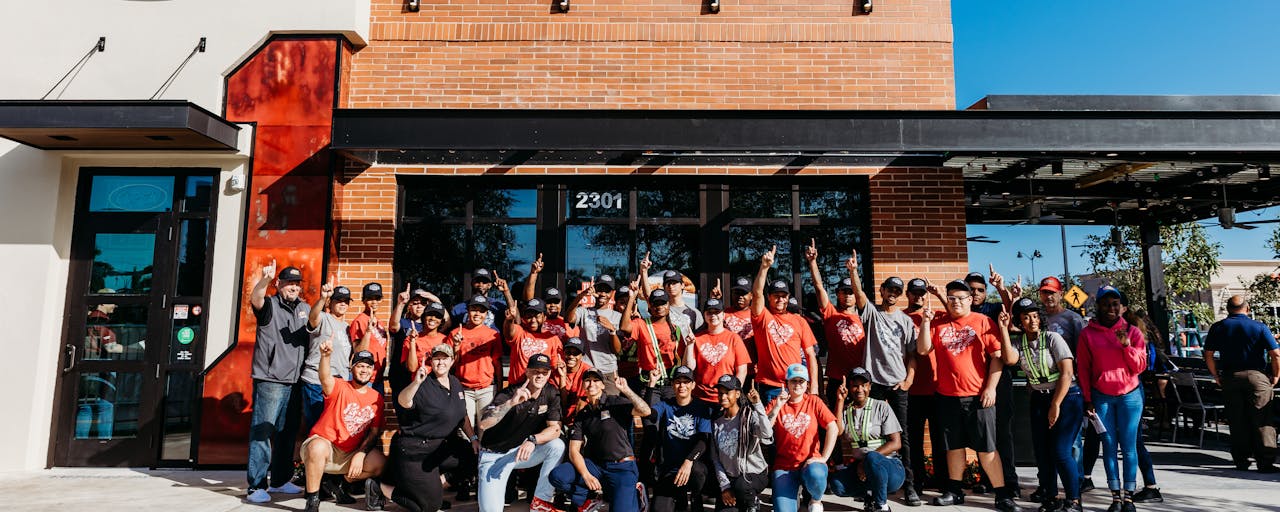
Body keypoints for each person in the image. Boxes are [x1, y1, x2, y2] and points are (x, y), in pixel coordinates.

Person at [917, 279, 1019, 511]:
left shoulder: (982, 321)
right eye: (951, 298)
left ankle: (1002, 495)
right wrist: (925, 322)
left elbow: (997, 358)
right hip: (947, 396)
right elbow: (922, 349)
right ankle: (955, 491)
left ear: (970, 300)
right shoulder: (938, 322)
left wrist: (991, 388)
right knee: (954, 447)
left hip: (977, 398)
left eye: (961, 298)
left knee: (987, 449)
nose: (956, 302)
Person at [844, 248, 921, 506]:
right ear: (882, 291)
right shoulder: (872, 314)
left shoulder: (906, 321)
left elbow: (913, 355)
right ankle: (867, 485)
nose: (893, 293)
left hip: (897, 384)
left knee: (902, 437)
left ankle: (909, 486)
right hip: (873, 384)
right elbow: (859, 295)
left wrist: (908, 380)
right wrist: (854, 272)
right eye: (890, 289)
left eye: (898, 291)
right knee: (865, 432)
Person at [381, 344, 480, 512]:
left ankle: (431, 487)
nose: (441, 362)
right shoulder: (422, 384)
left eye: (444, 358)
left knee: (473, 456)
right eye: (436, 359)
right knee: (429, 507)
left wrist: (473, 438)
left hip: (439, 447)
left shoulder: (455, 383)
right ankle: (381, 488)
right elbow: (403, 401)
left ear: (452, 361)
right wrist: (416, 383)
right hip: (415, 450)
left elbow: (461, 415)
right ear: (431, 362)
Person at [1008, 298, 1083, 512]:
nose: (1032, 320)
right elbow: (1008, 358)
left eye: (1035, 316)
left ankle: (1074, 501)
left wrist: (1056, 404)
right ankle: (1051, 497)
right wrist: (1004, 329)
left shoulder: (1052, 338)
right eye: (1026, 317)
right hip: (1039, 398)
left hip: (1066, 397)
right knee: (1042, 452)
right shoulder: (1018, 343)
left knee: (1061, 451)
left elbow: (1067, 373)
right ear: (1019, 322)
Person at [1076, 286, 1148, 512]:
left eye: (1115, 303)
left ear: (1121, 306)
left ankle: (1129, 497)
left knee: (1129, 447)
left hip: (1130, 396)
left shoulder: (1133, 332)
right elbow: (1083, 369)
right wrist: (1087, 399)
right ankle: (1115, 497)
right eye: (1106, 303)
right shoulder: (1088, 334)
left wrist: (1126, 346)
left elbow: (1140, 367)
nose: (1111, 308)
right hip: (1102, 397)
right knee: (1108, 446)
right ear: (1098, 306)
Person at [246, 261, 309, 503]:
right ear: (279, 284)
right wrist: (264, 279)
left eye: (297, 283)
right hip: (270, 379)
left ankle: (280, 481)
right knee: (263, 431)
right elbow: (256, 298)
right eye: (289, 283)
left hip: (295, 381)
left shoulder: (304, 308)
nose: (294, 287)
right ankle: (256, 486)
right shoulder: (269, 305)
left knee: (287, 433)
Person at [549, 370, 652, 512]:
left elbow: (646, 411)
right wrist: (586, 476)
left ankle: (635, 494)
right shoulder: (583, 414)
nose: (591, 384)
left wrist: (626, 390)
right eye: (587, 380)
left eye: (596, 380)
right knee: (557, 476)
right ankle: (589, 498)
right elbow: (574, 451)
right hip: (596, 466)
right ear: (583, 385)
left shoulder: (615, 402)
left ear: (603, 385)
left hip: (622, 467)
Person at [301, 347, 387, 512]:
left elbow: (374, 433)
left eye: (368, 367)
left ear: (372, 371)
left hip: (350, 453)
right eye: (360, 366)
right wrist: (325, 356)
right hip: (326, 446)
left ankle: (340, 483)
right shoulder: (339, 386)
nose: (364, 370)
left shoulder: (376, 397)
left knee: (380, 463)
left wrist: (360, 454)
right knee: (317, 447)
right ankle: (313, 500)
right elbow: (324, 377)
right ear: (352, 368)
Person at [476, 353, 566, 512]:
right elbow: (483, 423)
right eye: (536, 371)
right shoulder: (510, 392)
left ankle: (540, 502)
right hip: (494, 457)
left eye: (544, 372)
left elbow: (555, 429)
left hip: (519, 453)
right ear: (527, 372)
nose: (540, 375)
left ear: (549, 374)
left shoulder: (551, 392)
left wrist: (533, 440)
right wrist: (510, 403)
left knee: (557, 446)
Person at [1204, 295, 1280, 473]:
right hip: (1256, 376)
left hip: (1230, 377)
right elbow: (1275, 354)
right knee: (1262, 419)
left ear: (1228, 309)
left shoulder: (1218, 327)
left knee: (1236, 419)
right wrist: (1276, 375)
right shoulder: (1259, 327)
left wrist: (1215, 375)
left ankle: (1241, 459)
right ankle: (1265, 461)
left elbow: (1208, 354)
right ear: (1247, 308)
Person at [1035, 276, 1095, 495]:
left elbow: (1083, 353)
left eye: (1052, 292)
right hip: (1045, 387)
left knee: (1073, 441)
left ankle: (1076, 483)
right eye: (1044, 292)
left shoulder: (1072, 319)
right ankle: (1048, 486)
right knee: (1047, 442)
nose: (1048, 296)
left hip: (1069, 386)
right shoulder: (1038, 318)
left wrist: (1083, 387)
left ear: (1061, 294)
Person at [830, 368, 906, 512]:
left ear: (869, 386)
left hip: (890, 467)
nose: (860, 389)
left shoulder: (881, 406)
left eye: (863, 385)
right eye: (855, 385)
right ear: (849, 387)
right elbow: (838, 432)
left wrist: (865, 462)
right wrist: (840, 401)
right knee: (837, 484)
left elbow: (896, 443)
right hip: (863, 469)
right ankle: (869, 495)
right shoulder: (846, 410)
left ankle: (882, 505)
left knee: (872, 458)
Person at [802, 242, 867, 408]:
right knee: (835, 418)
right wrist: (812, 262)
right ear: (838, 294)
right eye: (844, 292)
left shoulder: (866, 317)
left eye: (851, 292)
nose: (848, 295)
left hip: (860, 378)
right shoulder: (831, 314)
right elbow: (819, 287)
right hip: (836, 377)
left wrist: (853, 271)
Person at [752, 245, 820, 403]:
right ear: (769, 297)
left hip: (796, 385)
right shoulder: (763, 317)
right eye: (776, 295)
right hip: (769, 386)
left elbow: (810, 355)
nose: (780, 299)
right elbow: (756, 294)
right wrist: (764, 267)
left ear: (788, 298)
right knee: (770, 420)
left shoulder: (799, 321)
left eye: (784, 296)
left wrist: (814, 386)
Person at [767, 363, 837, 512]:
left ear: (807, 384)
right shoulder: (776, 403)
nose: (797, 384)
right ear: (786, 383)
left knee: (816, 474)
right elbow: (763, 431)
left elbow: (833, 427)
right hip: (784, 466)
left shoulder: (814, 401)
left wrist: (824, 458)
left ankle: (815, 500)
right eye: (793, 381)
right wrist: (777, 407)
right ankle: (794, 496)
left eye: (801, 381)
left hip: (810, 464)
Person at [646, 365, 714, 512]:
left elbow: (703, 441)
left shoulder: (701, 408)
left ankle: (696, 498)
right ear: (672, 385)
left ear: (693, 385)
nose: (682, 385)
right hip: (670, 469)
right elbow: (649, 414)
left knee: (697, 470)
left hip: (693, 467)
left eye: (686, 382)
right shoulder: (666, 405)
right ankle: (680, 498)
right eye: (678, 382)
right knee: (658, 509)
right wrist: (651, 385)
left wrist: (688, 461)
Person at [902, 278, 943, 494]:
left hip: (937, 388)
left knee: (940, 439)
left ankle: (942, 481)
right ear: (907, 294)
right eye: (914, 293)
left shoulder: (936, 315)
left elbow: (957, 314)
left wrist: (938, 294)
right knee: (913, 441)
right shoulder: (901, 317)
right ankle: (916, 482)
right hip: (911, 389)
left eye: (921, 293)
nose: (918, 296)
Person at [711, 375, 772, 512]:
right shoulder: (717, 422)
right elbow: (716, 459)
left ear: (737, 394)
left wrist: (757, 405)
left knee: (742, 485)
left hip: (753, 474)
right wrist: (725, 486)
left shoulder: (748, 415)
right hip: (731, 479)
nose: (723, 397)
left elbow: (767, 433)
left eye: (727, 392)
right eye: (720, 393)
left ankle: (752, 503)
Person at [499, 274, 564, 386]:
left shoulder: (553, 339)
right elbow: (509, 333)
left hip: (541, 389)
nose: (533, 320)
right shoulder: (520, 333)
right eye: (529, 316)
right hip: (517, 387)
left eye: (537, 316)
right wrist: (509, 320)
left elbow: (554, 367)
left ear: (544, 317)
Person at [567, 274, 624, 394]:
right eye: (600, 289)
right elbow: (569, 318)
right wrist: (581, 296)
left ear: (612, 293)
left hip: (608, 371)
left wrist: (612, 330)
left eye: (607, 291)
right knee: (585, 404)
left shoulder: (618, 317)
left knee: (610, 404)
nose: (603, 294)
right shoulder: (584, 312)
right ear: (594, 290)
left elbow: (617, 350)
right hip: (587, 370)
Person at [688, 298, 751, 406]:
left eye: (717, 312)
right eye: (709, 312)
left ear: (723, 315)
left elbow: (742, 370)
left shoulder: (734, 338)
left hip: (725, 399)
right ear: (704, 315)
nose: (713, 316)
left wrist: (733, 395)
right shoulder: (697, 338)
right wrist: (689, 345)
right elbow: (689, 368)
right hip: (700, 397)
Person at [451, 295, 503, 426]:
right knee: (464, 429)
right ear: (468, 311)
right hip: (463, 388)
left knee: (485, 428)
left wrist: (499, 389)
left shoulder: (493, 335)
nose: (477, 314)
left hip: (487, 388)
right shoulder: (456, 333)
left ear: (486, 314)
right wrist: (456, 346)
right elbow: (451, 365)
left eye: (482, 311)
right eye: (474, 309)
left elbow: (497, 363)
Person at [619, 287, 682, 388]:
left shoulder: (675, 329)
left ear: (668, 304)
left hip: (669, 382)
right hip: (648, 380)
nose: (659, 307)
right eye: (656, 304)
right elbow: (624, 327)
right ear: (650, 306)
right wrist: (631, 298)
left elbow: (680, 357)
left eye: (663, 303)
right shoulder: (641, 324)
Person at [524, 253, 574, 340]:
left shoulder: (567, 323)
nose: (553, 305)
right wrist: (533, 273)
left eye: (556, 302)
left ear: (561, 304)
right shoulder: (537, 321)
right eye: (549, 302)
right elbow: (528, 300)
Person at [349, 282, 389, 384]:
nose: (374, 302)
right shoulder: (359, 321)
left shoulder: (379, 322)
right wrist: (368, 330)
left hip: (378, 377)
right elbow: (357, 352)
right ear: (363, 300)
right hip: (365, 379)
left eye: (377, 298)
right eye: (370, 298)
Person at [557, 337, 594, 421]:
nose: (571, 356)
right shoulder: (557, 371)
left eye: (575, 353)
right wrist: (562, 377)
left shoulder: (588, 372)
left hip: (580, 416)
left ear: (582, 355)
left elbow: (585, 401)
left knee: (583, 401)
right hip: (559, 413)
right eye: (568, 352)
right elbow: (561, 402)